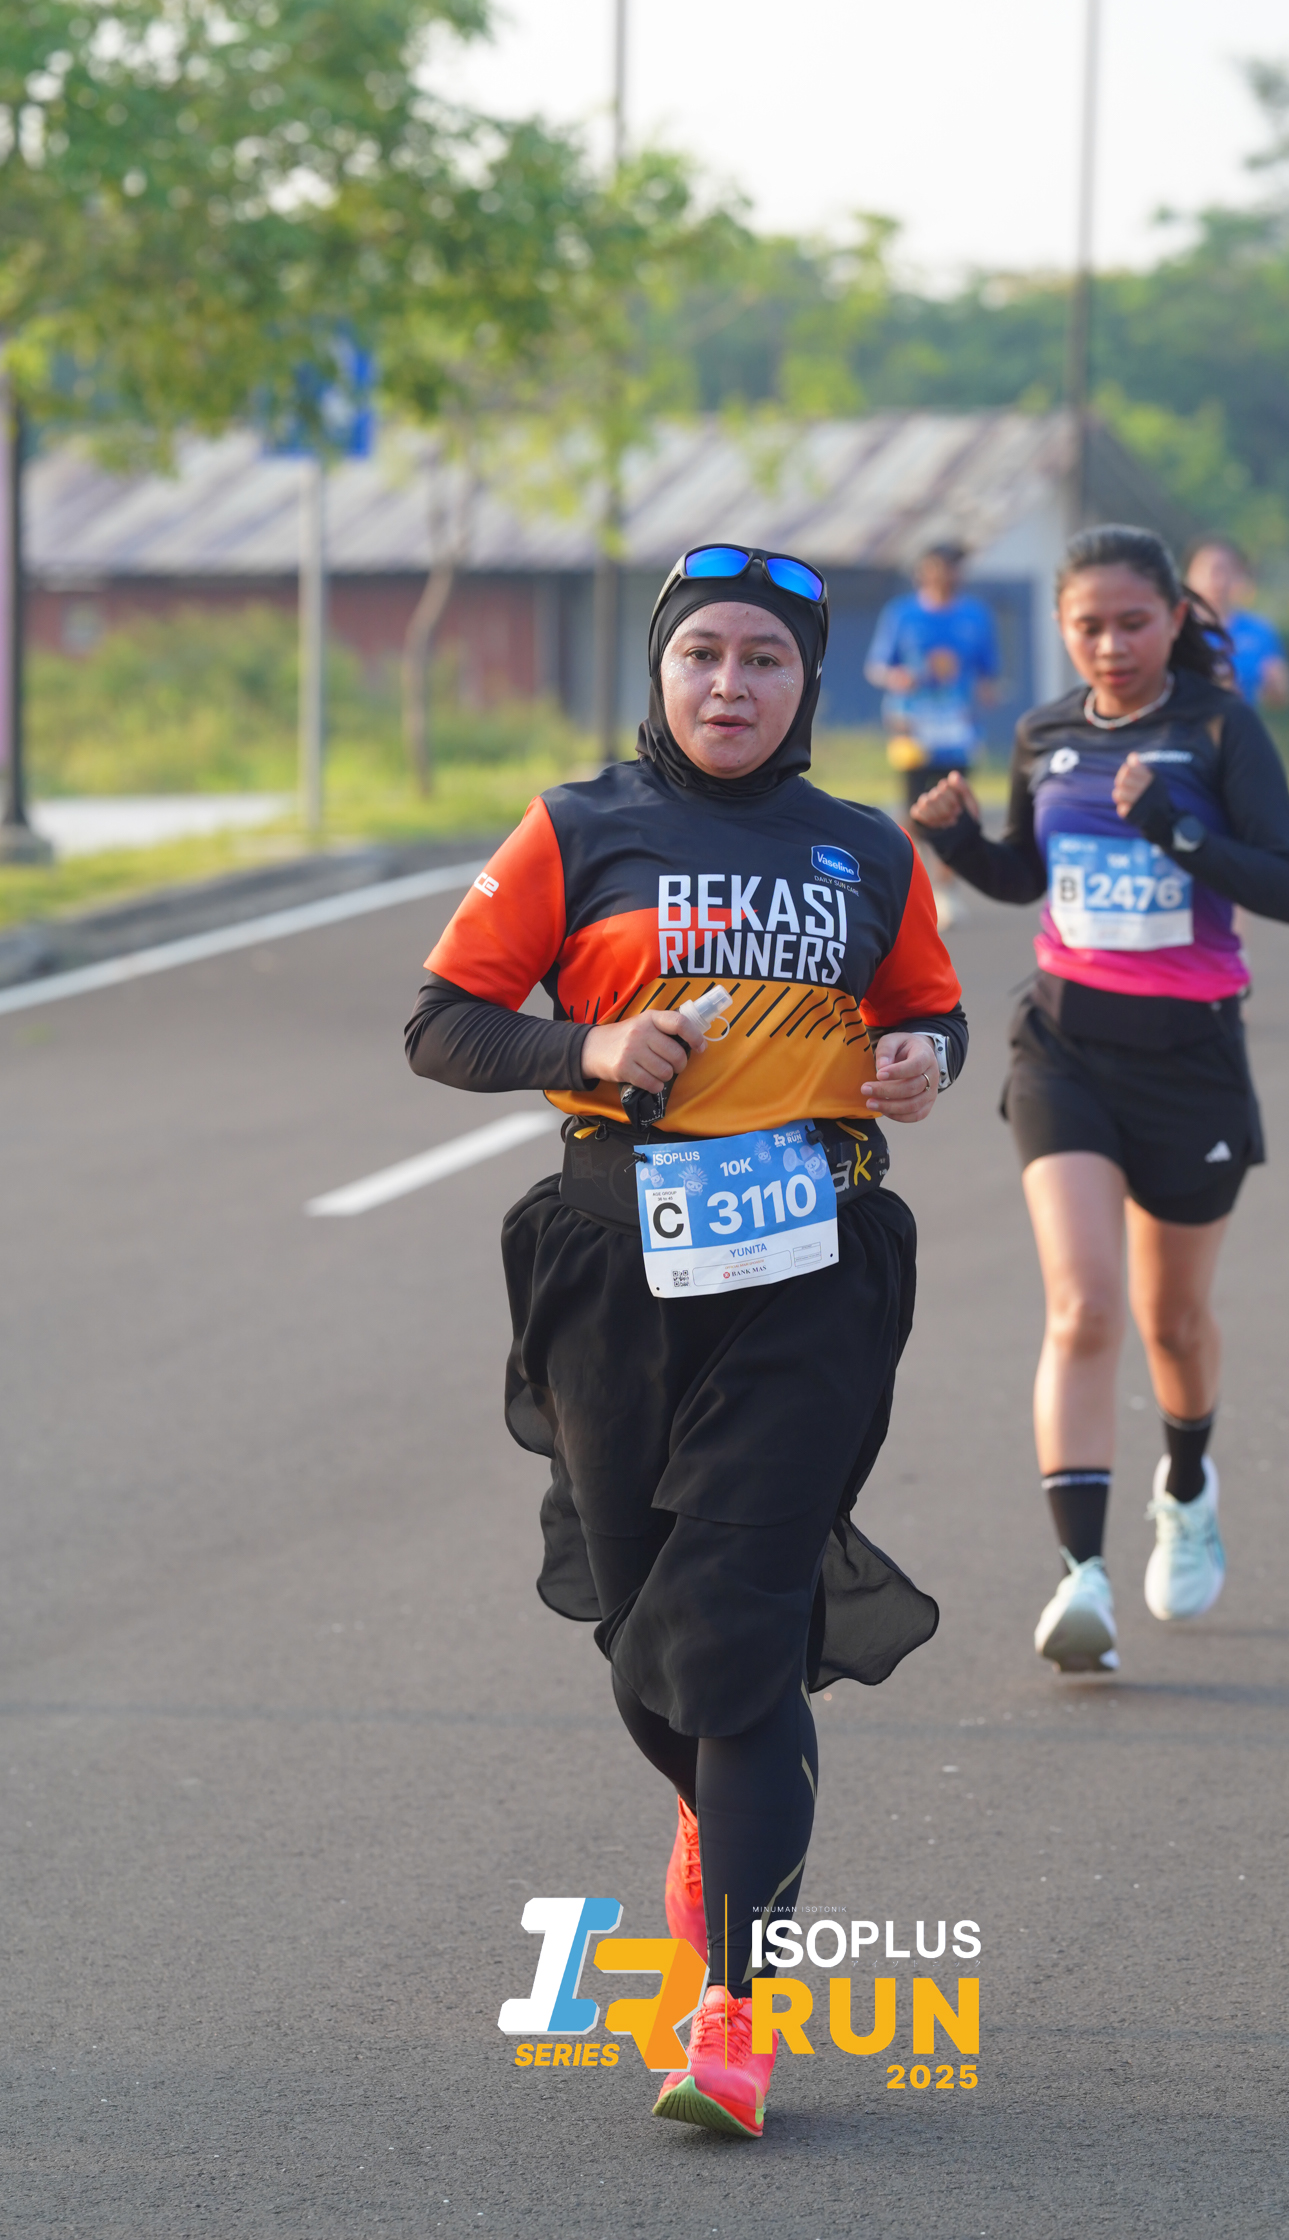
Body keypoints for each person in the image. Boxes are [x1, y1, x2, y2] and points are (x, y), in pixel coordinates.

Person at [406, 545, 966, 2139]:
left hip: (811, 1269)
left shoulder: (865, 850)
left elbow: (926, 1012)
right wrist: (590, 1043)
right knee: (656, 1642)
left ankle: (733, 2014)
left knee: (731, 1623)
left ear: (808, 684)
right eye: (703, 654)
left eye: (765, 659)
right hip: (615, 1267)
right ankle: (726, 1809)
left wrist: (920, 1061)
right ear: (659, 671)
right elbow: (444, 1021)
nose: (731, 684)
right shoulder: (577, 830)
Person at [911, 524, 1289, 1675]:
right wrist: (957, 842)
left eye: (1132, 622)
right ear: (1060, 626)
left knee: (1169, 1319)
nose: (1109, 645)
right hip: (1063, 1046)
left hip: (1189, 1059)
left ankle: (1183, 1489)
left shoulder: (1219, 730)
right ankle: (1079, 1572)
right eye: (1086, 626)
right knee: (1081, 1305)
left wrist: (1170, 826)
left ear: (1173, 618)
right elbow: (1028, 875)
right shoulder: (1044, 733)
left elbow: (1284, 887)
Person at [865, 542, 1000, 926]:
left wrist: (986, 696)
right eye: (940, 567)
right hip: (913, 725)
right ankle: (907, 876)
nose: (946, 575)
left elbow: (989, 673)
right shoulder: (902, 614)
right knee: (914, 809)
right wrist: (898, 678)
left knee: (955, 806)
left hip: (957, 728)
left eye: (954, 568)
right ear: (923, 571)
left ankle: (944, 889)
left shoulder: (976, 615)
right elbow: (877, 667)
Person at [1185, 537, 1289, 711]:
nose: (1215, 580)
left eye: (1223, 570)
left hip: (1239, 724)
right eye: (1205, 570)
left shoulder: (1259, 631)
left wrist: (1274, 686)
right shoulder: (1178, 629)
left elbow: (1281, 696)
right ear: (1189, 576)